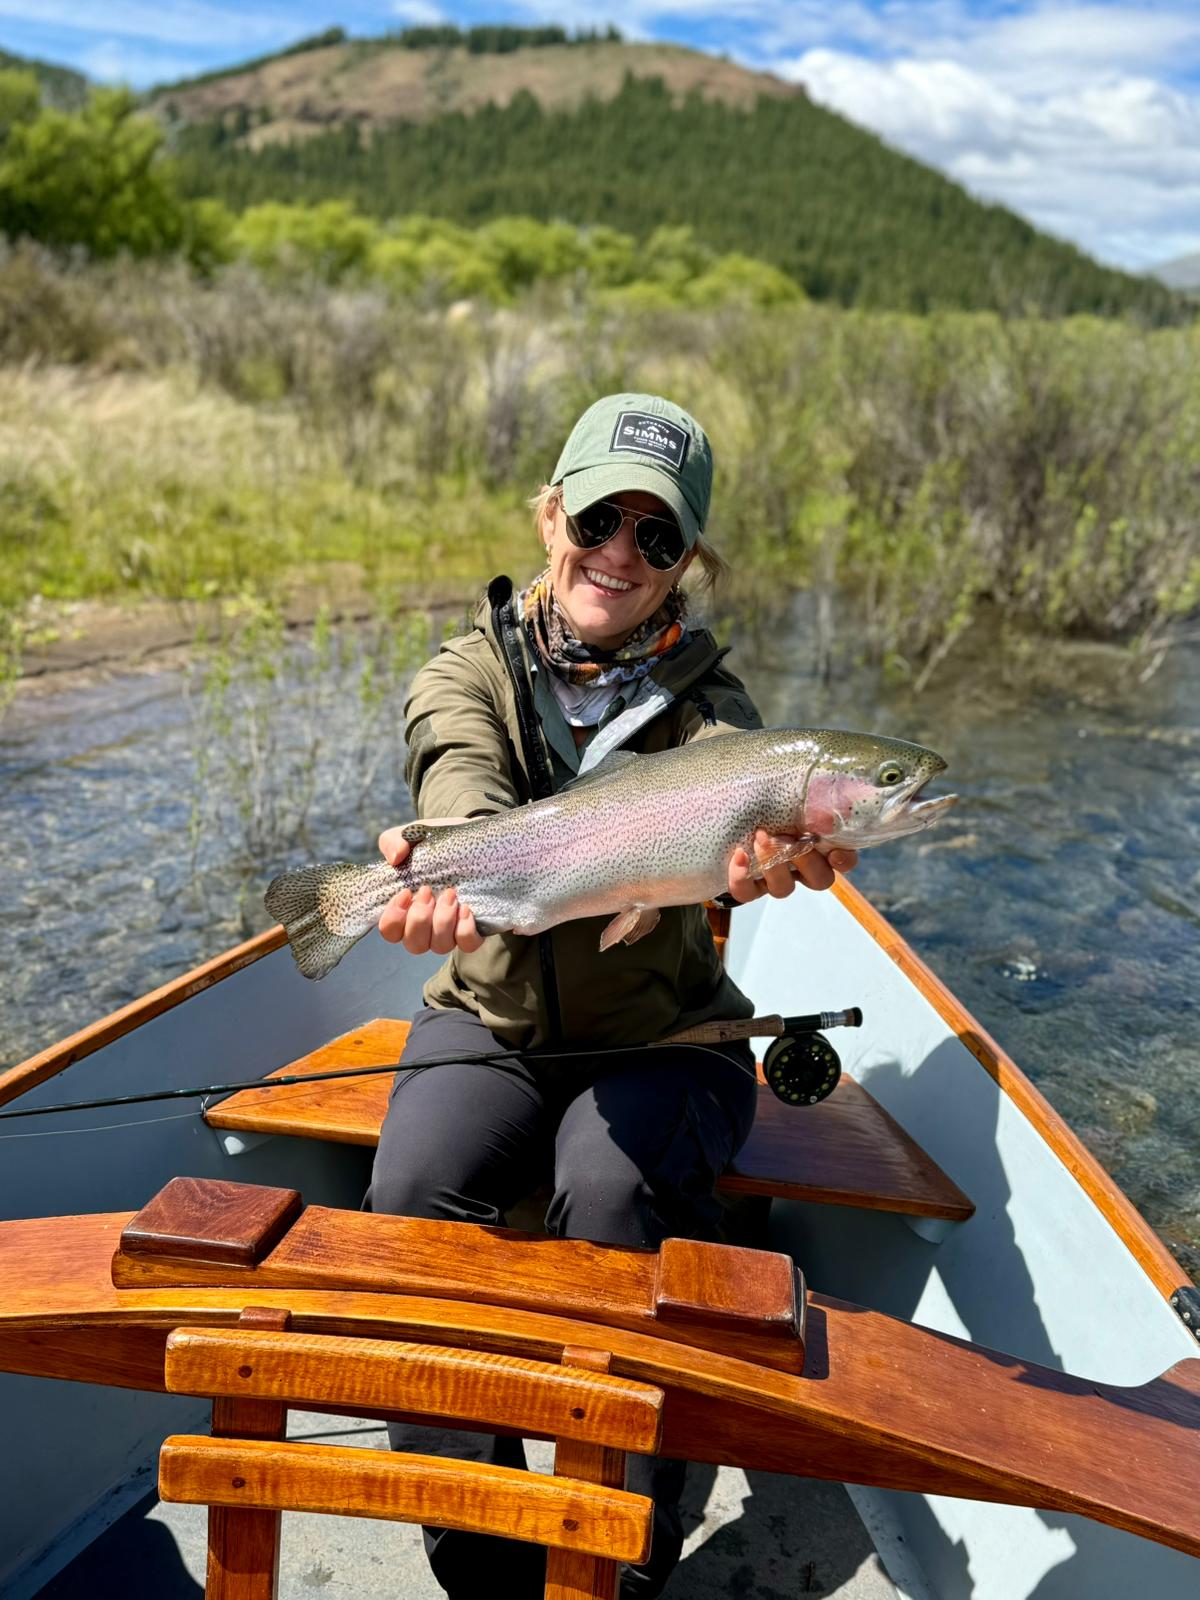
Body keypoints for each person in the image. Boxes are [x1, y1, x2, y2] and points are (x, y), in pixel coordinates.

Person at [366, 392, 857, 1599]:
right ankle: (485, 1552)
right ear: (551, 517)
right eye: (600, 518)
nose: (620, 555)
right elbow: (465, 786)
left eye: (658, 536)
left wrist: (777, 864)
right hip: (491, 1022)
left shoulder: (721, 711)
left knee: (612, 1191)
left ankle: (619, 1544)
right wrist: (457, 874)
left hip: (669, 1035)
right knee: (408, 1199)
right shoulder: (462, 673)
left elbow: (738, 852)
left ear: (687, 559)